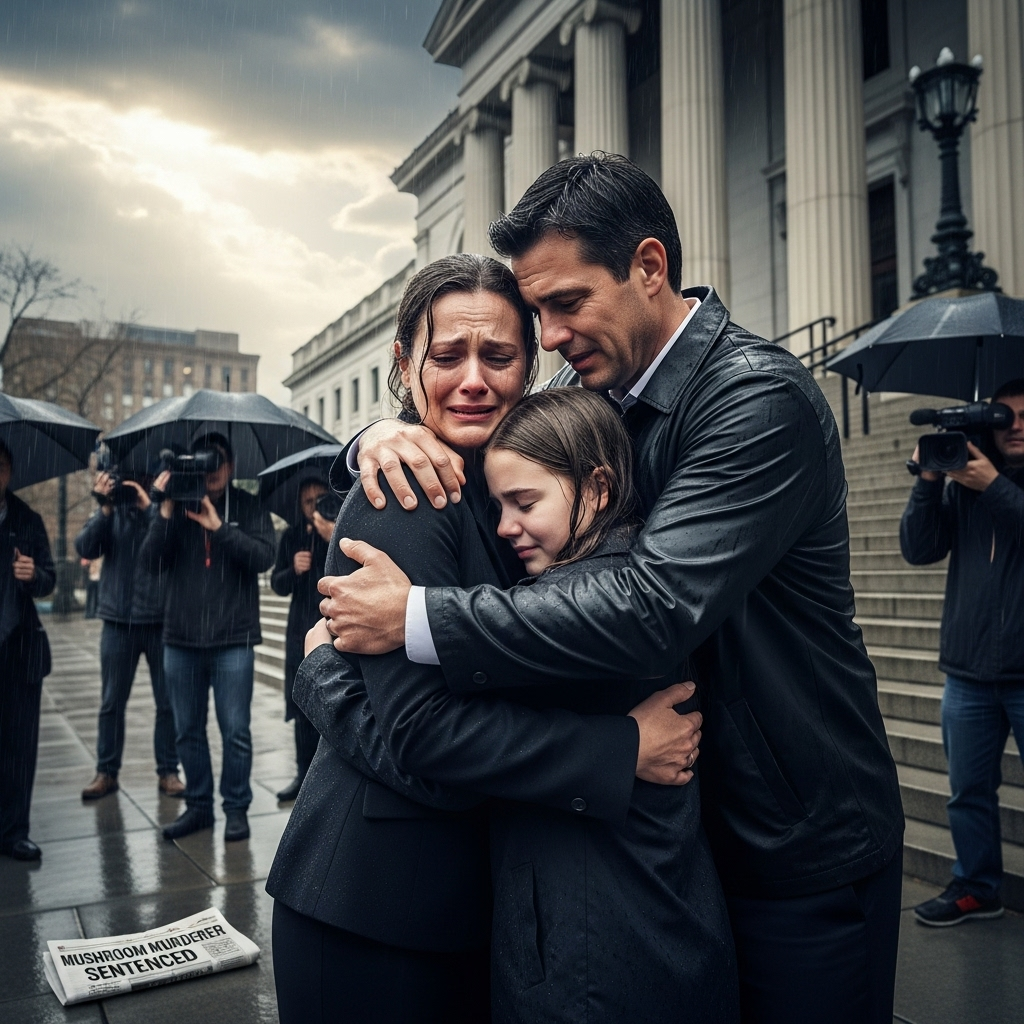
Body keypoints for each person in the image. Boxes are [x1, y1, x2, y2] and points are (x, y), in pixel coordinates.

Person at [321, 154, 906, 1024]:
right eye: (541, 312)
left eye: (565, 304)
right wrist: (374, 434)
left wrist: (413, 617)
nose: (548, 338)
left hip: (800, 844)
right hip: (696, 832)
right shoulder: (594, 388)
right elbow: (472, 411)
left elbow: (651, 604)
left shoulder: (756, 401)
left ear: (648, 268)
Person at [267, 254, 718, 1024]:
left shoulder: (503, 479)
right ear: (405, 365)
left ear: (532, 365)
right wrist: (618, 750)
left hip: (464, 910)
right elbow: (426, 740)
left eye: (498, 355)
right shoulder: (401, 495)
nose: (473, 378)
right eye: (447, 356)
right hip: (374, 908)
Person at [901, 378, 1024, 926]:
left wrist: (995, 484)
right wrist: (930, 480)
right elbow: (919, 548)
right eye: (1006, 415)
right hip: (969, 674)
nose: (1017, 425)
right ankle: (977, 887)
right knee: (966, 791)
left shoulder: (991, 483)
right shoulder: (962, 484)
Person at [141, 433, 275, 842]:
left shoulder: (248, 506)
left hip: (233, 638)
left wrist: (219, 529)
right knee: (187, 730)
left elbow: (263, 557)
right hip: (180, 639)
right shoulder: (177, 505)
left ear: (231, 466)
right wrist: (164, 511)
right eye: (205, 461)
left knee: (235, 730)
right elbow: (150, 562)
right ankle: (199, 807)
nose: (212, 469)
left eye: (219, 461)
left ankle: (236, 808)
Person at [75, 468, 183, 801]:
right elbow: (85, 547)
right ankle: (106, 771)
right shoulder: (112, 509)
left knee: (166, 703)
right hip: (118, 620)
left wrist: (149, 504)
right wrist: (105, 507)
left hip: (158, 620)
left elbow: (171, 548)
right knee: (111, 702)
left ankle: (168, 770)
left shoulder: (161, 503)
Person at [0, 439, 55, 861]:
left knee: (20, 747)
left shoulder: (27, 519)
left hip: (20, 651)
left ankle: (15, 829)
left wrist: (33, 573)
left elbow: (50, 580)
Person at [269, 476, 334, 801]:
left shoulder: (341, 528)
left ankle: (329, 781)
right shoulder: (291, 536)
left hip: (332, 629)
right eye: (308, 502)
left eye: (319, 499)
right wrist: (293, 569)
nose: (314, 507)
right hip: (299, 630)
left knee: (331, 703)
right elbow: (276, 585)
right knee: (301, 707)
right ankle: (302, 775)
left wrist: (331, 538)